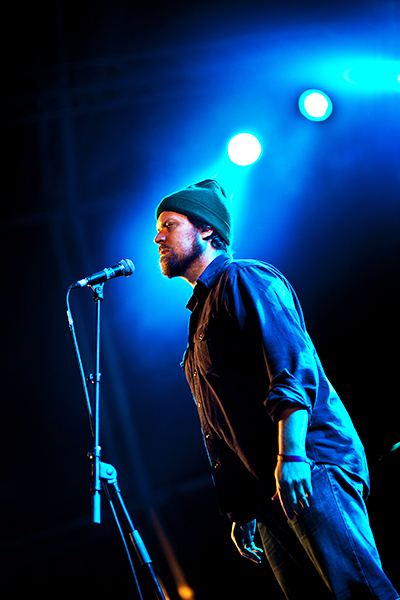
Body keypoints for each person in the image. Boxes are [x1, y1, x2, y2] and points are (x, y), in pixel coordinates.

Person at [153, 179, 399, 600]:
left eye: (169, 225)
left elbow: (291, 367)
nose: (158, 237)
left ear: (207, 229)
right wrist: (242, 507)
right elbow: (223, 423)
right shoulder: (200, 317)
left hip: (310, 465)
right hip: (268, 494)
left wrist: (293, 455)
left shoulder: (242, 278)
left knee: (359, 593)